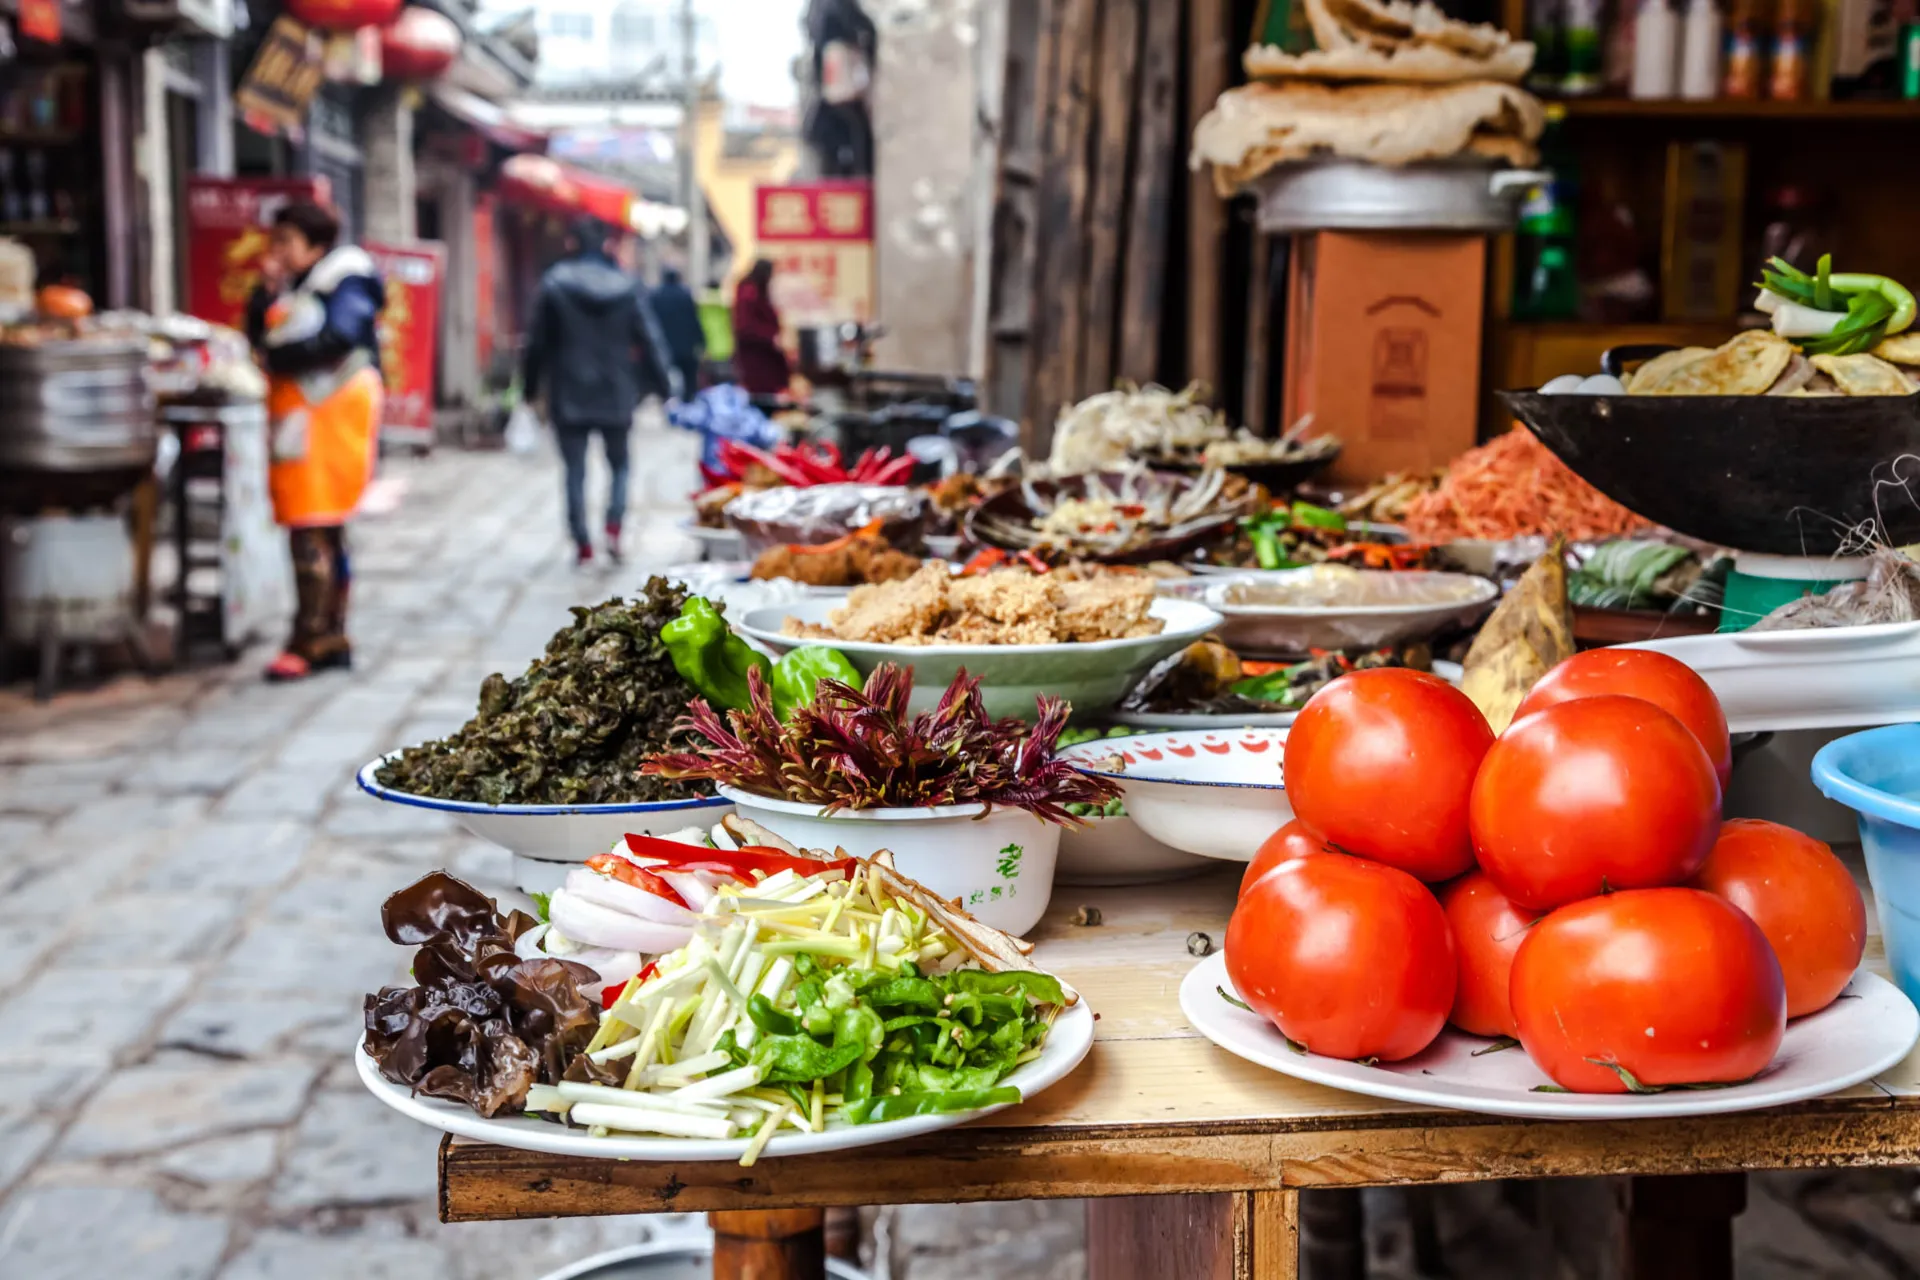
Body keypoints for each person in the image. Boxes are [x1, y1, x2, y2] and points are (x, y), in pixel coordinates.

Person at [246, 198, 385, 683]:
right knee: (319, 525)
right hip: (304, 415)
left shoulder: (345, 280)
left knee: (313, 523)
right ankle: (328, 635)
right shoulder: (299, 285)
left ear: (315, 243)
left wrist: (278, 357)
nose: (278, 251)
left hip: (327, 414)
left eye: (286, 241)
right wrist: (264, 295)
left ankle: (311, 639)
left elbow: (338, 338)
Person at [524, 216, 670, 567]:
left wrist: (529, 388)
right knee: (619, 464)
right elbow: (650, 339)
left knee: (574, 469)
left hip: (568, 391)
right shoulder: (626, 285)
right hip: (617, 390)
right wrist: (665, 385)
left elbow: (537, 344)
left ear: (572, 243)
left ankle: (583, 543)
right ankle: (615, 528)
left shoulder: (556, 283)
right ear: (607, 245)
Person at [730, 258, 791, 396]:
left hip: (760, 353)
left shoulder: (753, 290)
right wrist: (771, 337)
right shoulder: (749, 292)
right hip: (757, 355)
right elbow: (745, 326)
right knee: (761, 392)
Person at [650, 266, 705, 402]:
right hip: (685, 346)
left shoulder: (656, 295)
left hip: (663, 345)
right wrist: (701, 340)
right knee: (689, 379)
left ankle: (665, 401)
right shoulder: (685, 295)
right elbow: (694, 320)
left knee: (662, 378)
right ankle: (688, 402)